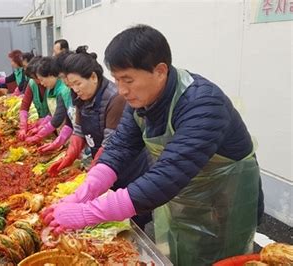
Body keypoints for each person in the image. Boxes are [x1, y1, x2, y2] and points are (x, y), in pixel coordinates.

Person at [42, 25, 263, 265]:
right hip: (181, 199)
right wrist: (84, 192)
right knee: (176, 254)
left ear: (160, 71)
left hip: (223, 205)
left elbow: (166, 176)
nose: (122, 90)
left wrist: (88, 213)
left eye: (128, 80)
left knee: (219, 258)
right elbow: (120, 147)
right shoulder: (140, 101)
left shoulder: (203, 104)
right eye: (117, 80)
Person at [44, 48, 153, 228]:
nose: (75, 89)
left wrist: (90, 182)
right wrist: (69, 156)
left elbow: (111, 146)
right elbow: (78, 130)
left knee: (133, 217)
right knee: (114, 210)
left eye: (78, 83)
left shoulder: (115, 98)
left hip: (130, 168)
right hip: (107, 166)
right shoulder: (81, 95)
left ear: (93, 77)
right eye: (71, 85)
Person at [25, 56, 74, 150]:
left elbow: (58, 118)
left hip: (70, 133)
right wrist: (40, 126)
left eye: (42, 79)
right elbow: (51, 113)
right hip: (62, 131)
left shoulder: (63, 90)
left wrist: (39, 135)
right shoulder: (50, 89)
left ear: (51, 75)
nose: (41, 83)